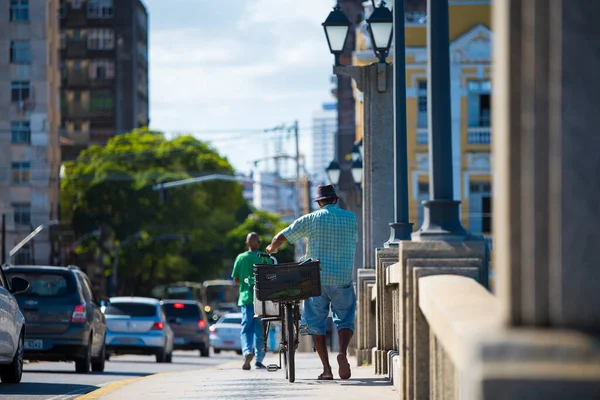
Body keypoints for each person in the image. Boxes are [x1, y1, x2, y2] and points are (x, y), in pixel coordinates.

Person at [266, 184, 358, 381]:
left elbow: (280, 236)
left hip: (315, 279)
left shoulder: (311, 219)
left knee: (316, 323)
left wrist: (271, 248)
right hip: (342, 277)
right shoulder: (351, 218)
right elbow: (354, 241)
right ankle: (342, 351)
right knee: (345, 318)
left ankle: (327, 369)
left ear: (319, 202)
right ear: (335, 200)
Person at [231, 232, 269, 370]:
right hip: (262, 299)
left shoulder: (240, 258)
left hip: (247, 298)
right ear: (259, 243)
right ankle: (259, 360)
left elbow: (236, 279)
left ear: (246, 243)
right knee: (261, 330)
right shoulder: (265, 258)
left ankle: (247, 351)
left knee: (247, 328)